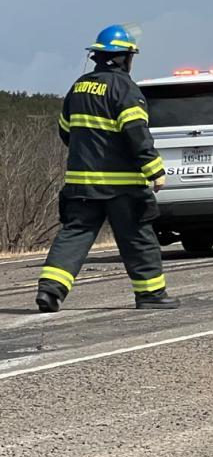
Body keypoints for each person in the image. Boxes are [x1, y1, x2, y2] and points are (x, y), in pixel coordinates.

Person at [35, 25, 179, 312]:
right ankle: (150, 294)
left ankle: (50, 290)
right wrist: (154, 169)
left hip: (81, 183)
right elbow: (136, 132)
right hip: (123, 187)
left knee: (75, 234)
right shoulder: (124, 89)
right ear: (124, 58)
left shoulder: (78, 87)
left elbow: (66, 131)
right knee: (138, 236)